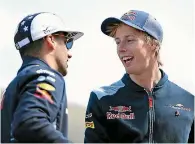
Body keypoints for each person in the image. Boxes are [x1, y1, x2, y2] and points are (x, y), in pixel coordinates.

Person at [84, 10, 194, 143]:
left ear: (153, 44)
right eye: (118, 42)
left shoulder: (189, 102)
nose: (121, 48)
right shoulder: (101, 99)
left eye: (129, 40)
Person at [1, 12, 83, 143]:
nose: (69, 53)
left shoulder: (15, 84)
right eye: (67, 42)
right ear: (51, 40)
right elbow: (30, 123)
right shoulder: (46, 75)